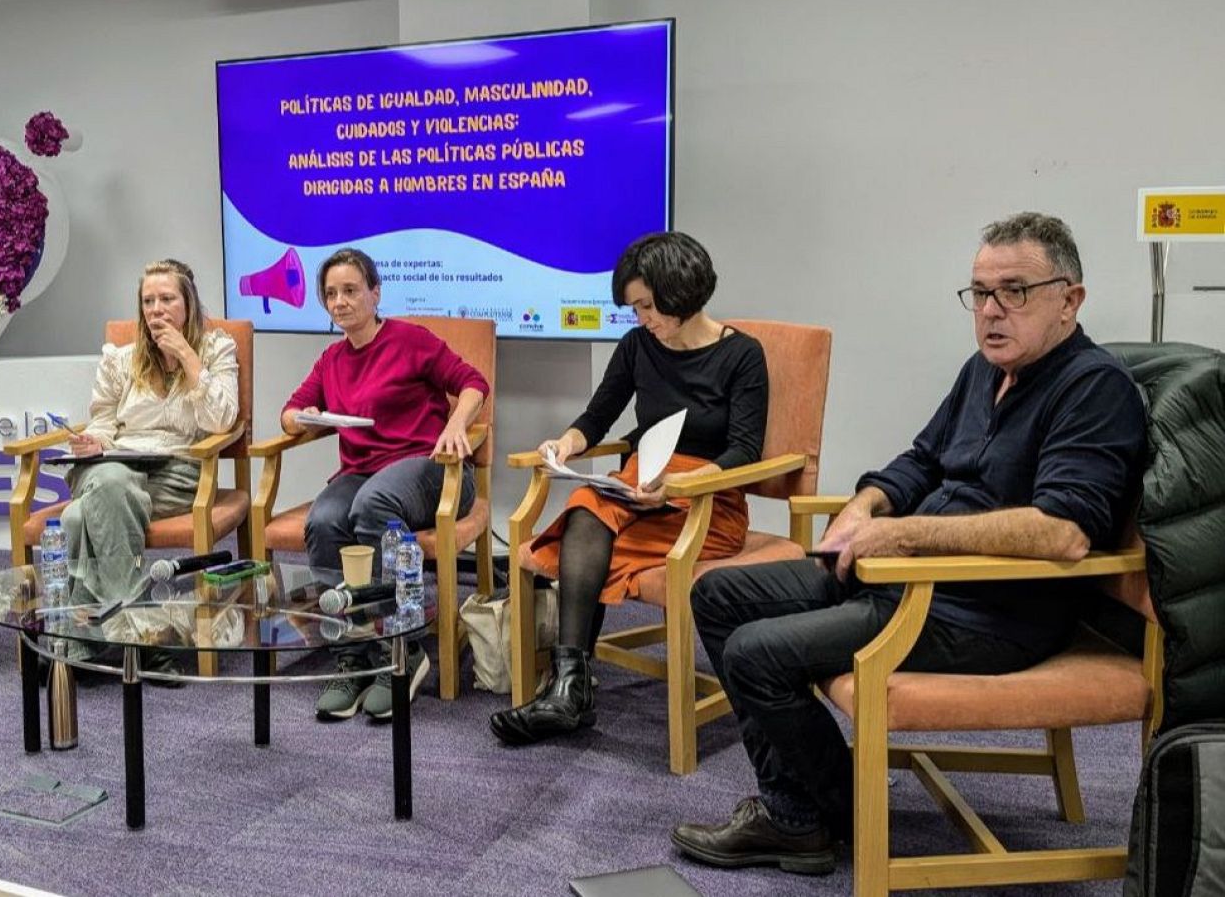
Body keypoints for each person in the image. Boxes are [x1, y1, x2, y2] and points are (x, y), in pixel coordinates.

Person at [670, 212, 1147, 875]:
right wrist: (864, 506)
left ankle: (815, 817)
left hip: (985, 611)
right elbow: (922, 460)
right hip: (903, 577)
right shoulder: (984, 371)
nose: (991, 311)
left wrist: (905, 533)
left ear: (1070, 300)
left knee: (757, 655)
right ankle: (803, 808)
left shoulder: (1094, 389)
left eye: (1014, 291)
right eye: (980, 293)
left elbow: (1063, 531)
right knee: (719, 594)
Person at [489, 231, 769, 745]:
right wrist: (566, 443)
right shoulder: (638, 346)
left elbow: (745, 451)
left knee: (585, 545)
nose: (641, 318)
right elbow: (598, 416)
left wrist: (682, 483)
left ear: (680, 292)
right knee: (585, 505)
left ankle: (569, 692)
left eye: (647, 306)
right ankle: (570, 687)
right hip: (639, 488)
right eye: (635, 308)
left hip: (706, 501)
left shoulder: (742, 355)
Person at [281, 247, 489, 722]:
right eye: (331, 294)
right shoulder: (331, 359)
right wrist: (303, 417)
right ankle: (353, 651)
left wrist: (456, 424)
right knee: (325, 519)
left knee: (371, 504)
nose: (340, 301)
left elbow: (473, 383)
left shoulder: (410, 340)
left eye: (351, 291)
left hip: (432, 469)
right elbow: (290, 413)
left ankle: (401, 646)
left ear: (375, 293)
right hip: (363, 474)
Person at [57, 259, 239, 677]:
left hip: (177, 470)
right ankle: (142, 635)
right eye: (148, 301)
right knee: (111, 482)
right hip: (114, 463)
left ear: (188, 304)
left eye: (167, 299)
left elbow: (221, 421)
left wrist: (187, 356)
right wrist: (94, 442)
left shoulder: (216, 350)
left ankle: (82, 638)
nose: (156, 309)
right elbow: (103, 420)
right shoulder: (121, 359)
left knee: (78, 517)